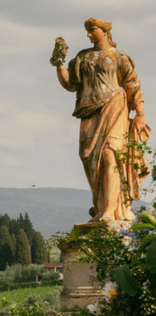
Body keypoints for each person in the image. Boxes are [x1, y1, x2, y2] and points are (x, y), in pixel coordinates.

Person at [53, 18, 150, 222]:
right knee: (88, 157)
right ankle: (101, 207)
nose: (88, 35)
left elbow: (133, 83)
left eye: (92, 30)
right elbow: (70, 84)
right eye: (87, 31)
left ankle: (109, 210)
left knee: (109, 154)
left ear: (105, 31)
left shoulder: (118, 56)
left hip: (115, 106)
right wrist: (59, 63)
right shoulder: (83, 57)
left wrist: (140, 113)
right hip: (89, 111)